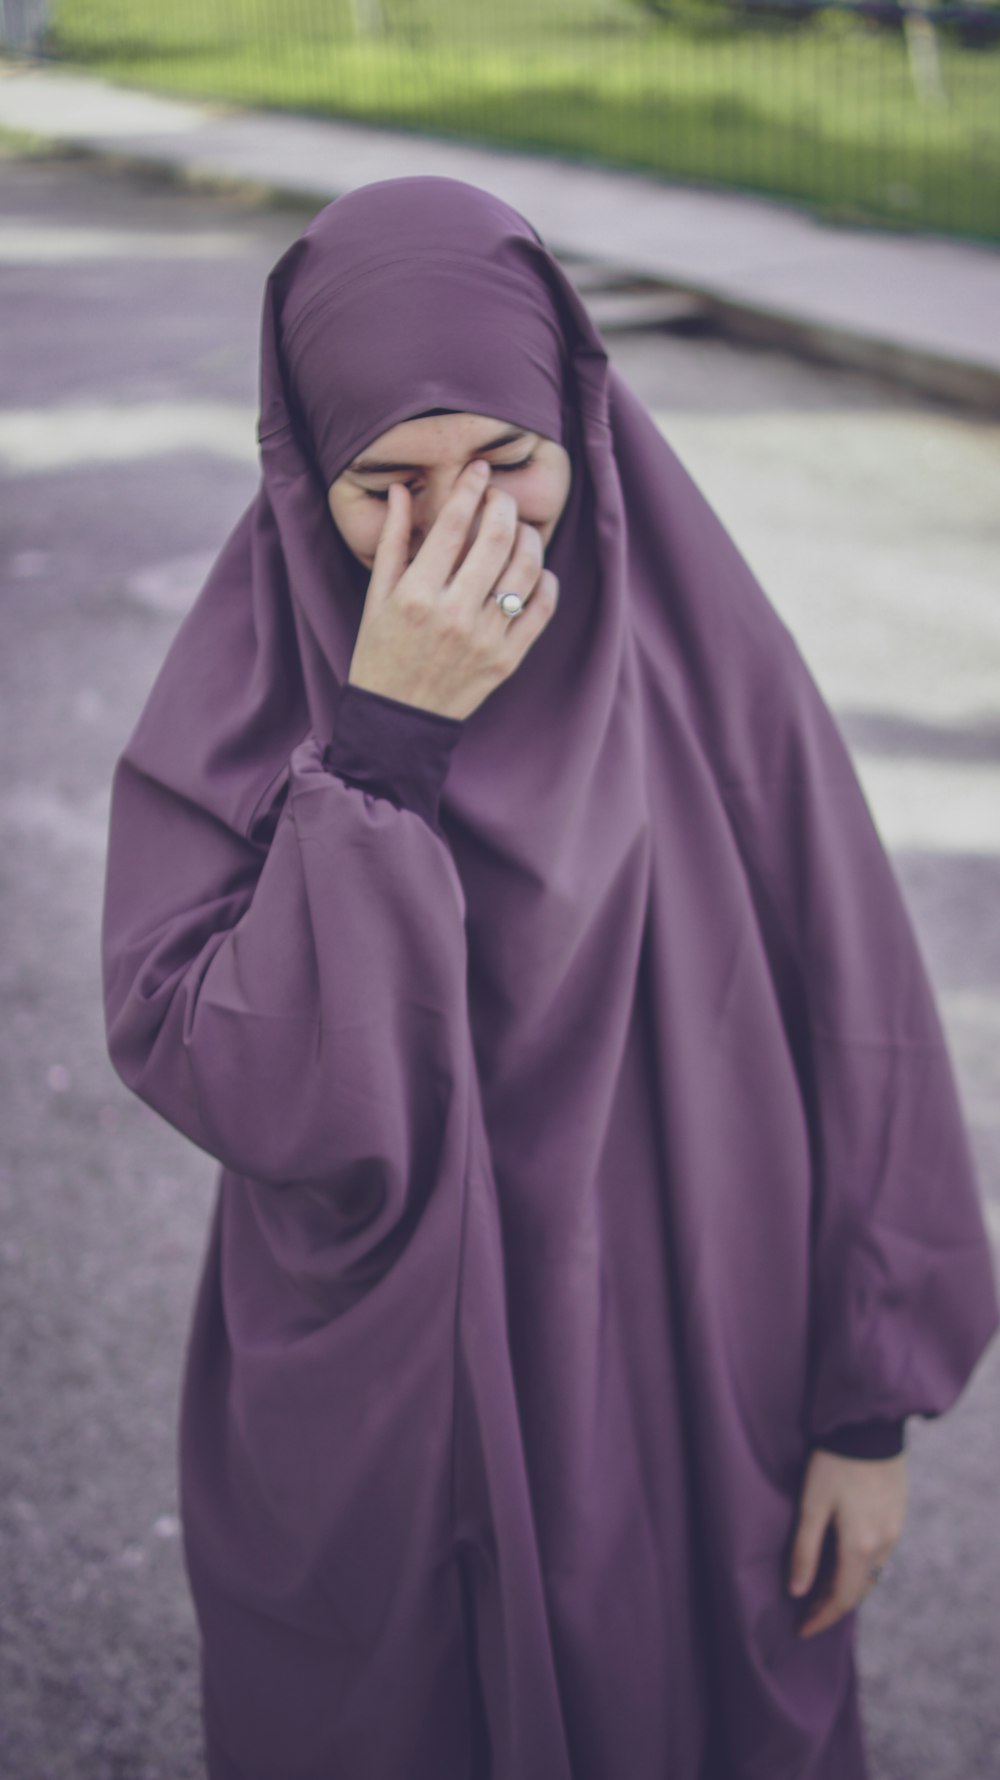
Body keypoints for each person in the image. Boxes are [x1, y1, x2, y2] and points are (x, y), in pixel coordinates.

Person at [100, 176, 999, 1780]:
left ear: (582, 423)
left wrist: (870, 1412)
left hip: (694, 1367)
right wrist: (379, 754)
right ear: (306, 482)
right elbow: (217, 1056)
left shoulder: (705, 662)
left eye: (508, 464)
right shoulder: (258, 692)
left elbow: (858, 1011)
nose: (463, 536)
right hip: (384, 1401)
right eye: (390, 487)